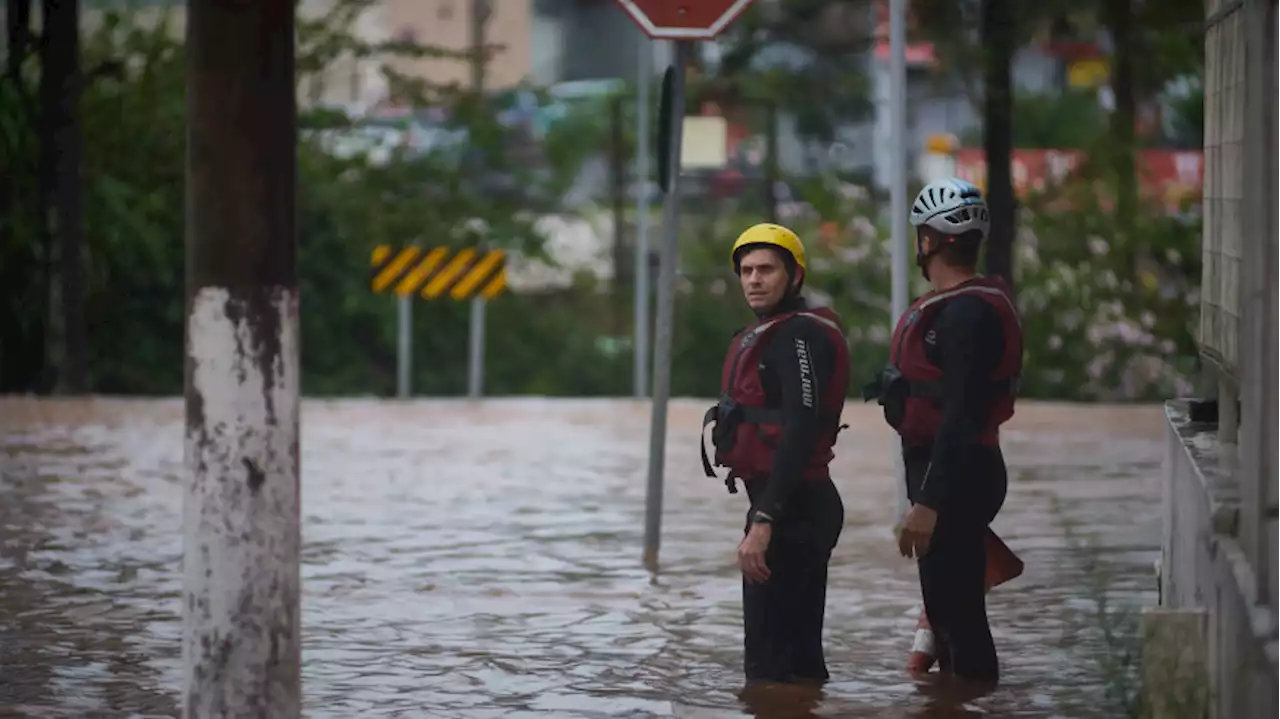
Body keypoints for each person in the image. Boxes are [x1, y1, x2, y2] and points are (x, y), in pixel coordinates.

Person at [862, 178, 1024, 685]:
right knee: (946, 614)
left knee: (961, 620)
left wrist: (929, 503)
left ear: (927, 242)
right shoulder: (958, 307)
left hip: (956, 475)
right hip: (951, 472)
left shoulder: (967, 314)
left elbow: (961, 413)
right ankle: (955, 704)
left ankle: (972, 698)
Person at [700, 223, 851, 686]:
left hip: (793, 510)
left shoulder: (798, 336)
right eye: (746, 270)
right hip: (786, 506)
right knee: (796, 669)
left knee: (768, 672)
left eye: (766, 269)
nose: (754, 279)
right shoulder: (774, 333)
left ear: (795, 275)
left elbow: (802, 426)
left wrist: (764, 520)